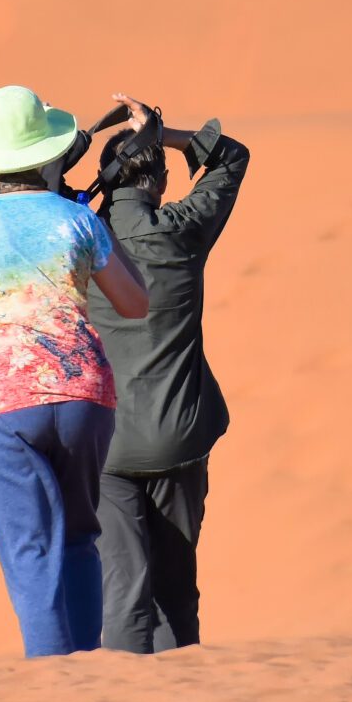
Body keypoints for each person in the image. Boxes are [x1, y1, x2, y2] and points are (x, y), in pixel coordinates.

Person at [0, 85, 150, 658]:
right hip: (84, 399)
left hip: (4, 408)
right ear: (48, 154)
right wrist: (93, 230)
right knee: (79, 539)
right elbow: (135, 304)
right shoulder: (77, 220)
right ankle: (85, 670)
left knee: (30, 551)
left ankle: (52, 692)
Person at [83, 94, 251, 653]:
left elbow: (31, 198)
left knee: (123, 589)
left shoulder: (78, 237)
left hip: (105, 444)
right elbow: (231, 157)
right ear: (157, 182)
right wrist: (165, 132)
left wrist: (82, 143)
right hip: (178, 435)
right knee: (176, 589)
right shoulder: (180, 230)